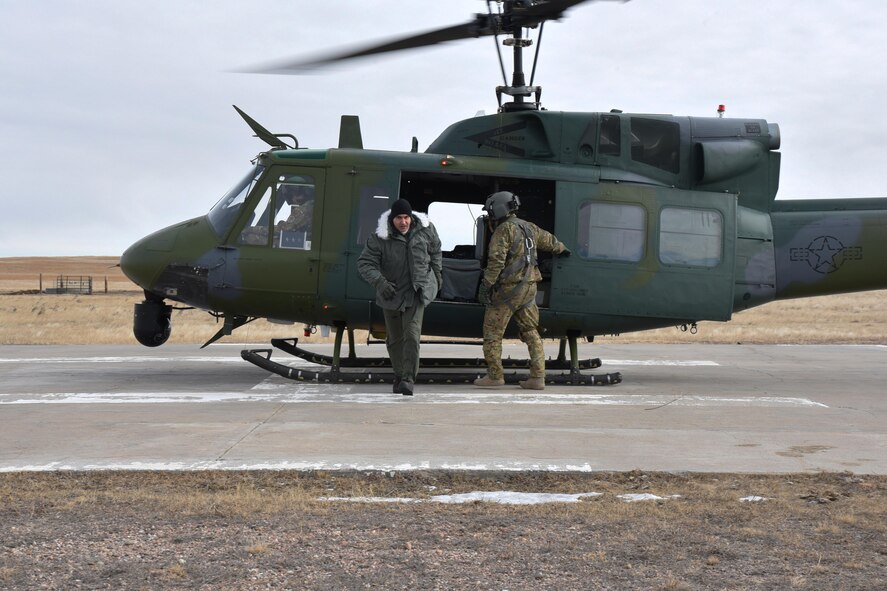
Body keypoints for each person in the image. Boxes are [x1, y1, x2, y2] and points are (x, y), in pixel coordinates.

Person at [473, 191, 571, 391]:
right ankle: (538, 377)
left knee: (492, 333)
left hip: (507, 291)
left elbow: (496, 262)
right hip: (529, 289)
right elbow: (550, 241)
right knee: (530, 331)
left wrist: (486, 286)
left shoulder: (503, 231)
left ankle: (494, 376)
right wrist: (562, 248)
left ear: (498, 209)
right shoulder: (529, 227)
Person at [357, 198, 442, 396]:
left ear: (411, 217)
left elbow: (436, 251)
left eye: (406, 217)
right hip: (391, 293)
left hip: (416, 292)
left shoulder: (426, 230)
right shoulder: (379, 238)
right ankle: (399, 373)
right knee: (395, 339)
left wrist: (437, 277)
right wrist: (380, 283)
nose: (403, 222)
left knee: (412, 336)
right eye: (399, 218)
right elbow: (365, 264)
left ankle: (407, 379)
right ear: (392, 220)